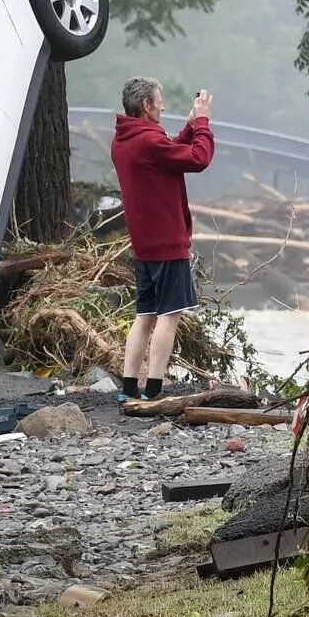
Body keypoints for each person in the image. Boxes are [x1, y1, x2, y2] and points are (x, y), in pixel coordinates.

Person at [109, 77, 215, 400]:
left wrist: (188, 127)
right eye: (160, 101)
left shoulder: (124, 141)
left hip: (144, 245)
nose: (163, 106)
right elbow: (197, 158)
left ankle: (129, 387)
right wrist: (203, 123)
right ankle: (154, 390)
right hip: (168, 242)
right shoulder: (149, 143)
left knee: (144, 316)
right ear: (147, 106)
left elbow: (169, 153)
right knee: (170, 316)